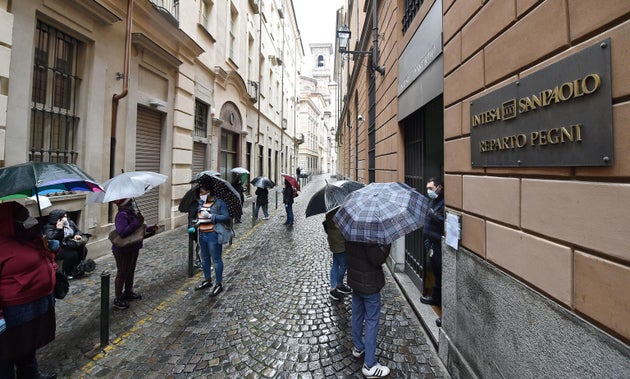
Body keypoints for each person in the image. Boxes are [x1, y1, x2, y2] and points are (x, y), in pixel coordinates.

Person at [0, 202, 57, 379]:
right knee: (7, 353)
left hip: (32, 306)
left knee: (27, 345)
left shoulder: (26, 236)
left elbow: (43, 257)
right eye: (24, 217)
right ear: (10, 222)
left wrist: (47, 248)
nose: (29, 220)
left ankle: (31, 375)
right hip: (12, 310)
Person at [346, 240, 391, 378]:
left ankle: (359, 347)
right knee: (372, 321)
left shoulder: (351, 229)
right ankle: (370, 365)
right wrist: (387, 245)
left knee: (357, 315)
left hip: (355, 280)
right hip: (369, 283)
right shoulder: (369, 234)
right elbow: (377, 259)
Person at [110, 198, 154, 310]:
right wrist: (137, 222)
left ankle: (128, 292)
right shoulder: (121, 215)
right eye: (130, 202)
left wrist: (149, 229)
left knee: (130, 271)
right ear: (126, 204)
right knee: (123, 272)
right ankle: (118, 298)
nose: (133, 203)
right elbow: (123, 232)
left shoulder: (132, 213)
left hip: (133, 248)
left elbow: (137, 230)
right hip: (123, 250)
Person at [192, 183, 231, 297]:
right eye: (200, 193)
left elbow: (225, 217)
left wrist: (211, 216)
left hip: (213, 234)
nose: (201, 195)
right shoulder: (201, 202)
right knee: (204, 259)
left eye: (202, 192)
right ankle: (207, 280)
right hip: (202, 234)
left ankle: (218, 284)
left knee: (216, 260)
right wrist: (197, 221)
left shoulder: (219, 202)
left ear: (209, 192)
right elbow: (199, 215)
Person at [420, 177, 445, 325]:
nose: (429, 191)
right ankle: (435, 298)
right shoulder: (434, 201)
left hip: (439, 244)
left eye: (431, 188)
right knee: (436, 273)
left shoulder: (444, 202)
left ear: (439, 188)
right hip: (431, 244)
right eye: (427, 188)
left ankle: (444, 311)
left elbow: (443, 220)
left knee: (442, 275)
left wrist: (433, 214)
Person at [43, 209, 88, 279]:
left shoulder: (70, 222)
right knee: (72, 254)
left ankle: (78, 268)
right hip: (59, 247)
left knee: (83, 249)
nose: (65, 217)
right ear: (58, 218)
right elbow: (52, 238)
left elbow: (77, 231)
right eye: (63, 216)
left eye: (66, 215)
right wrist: (59, 229)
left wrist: (77, 235)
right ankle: (67, 272)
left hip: (70, 244)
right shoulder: (49, 227)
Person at [323, 208, 351, 301]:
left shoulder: (329, 211)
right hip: (340, 242)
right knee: (343, 265)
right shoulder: (339, 212)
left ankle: (335, 286)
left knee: (335, 264)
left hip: (334, 241)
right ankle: (336, 286)